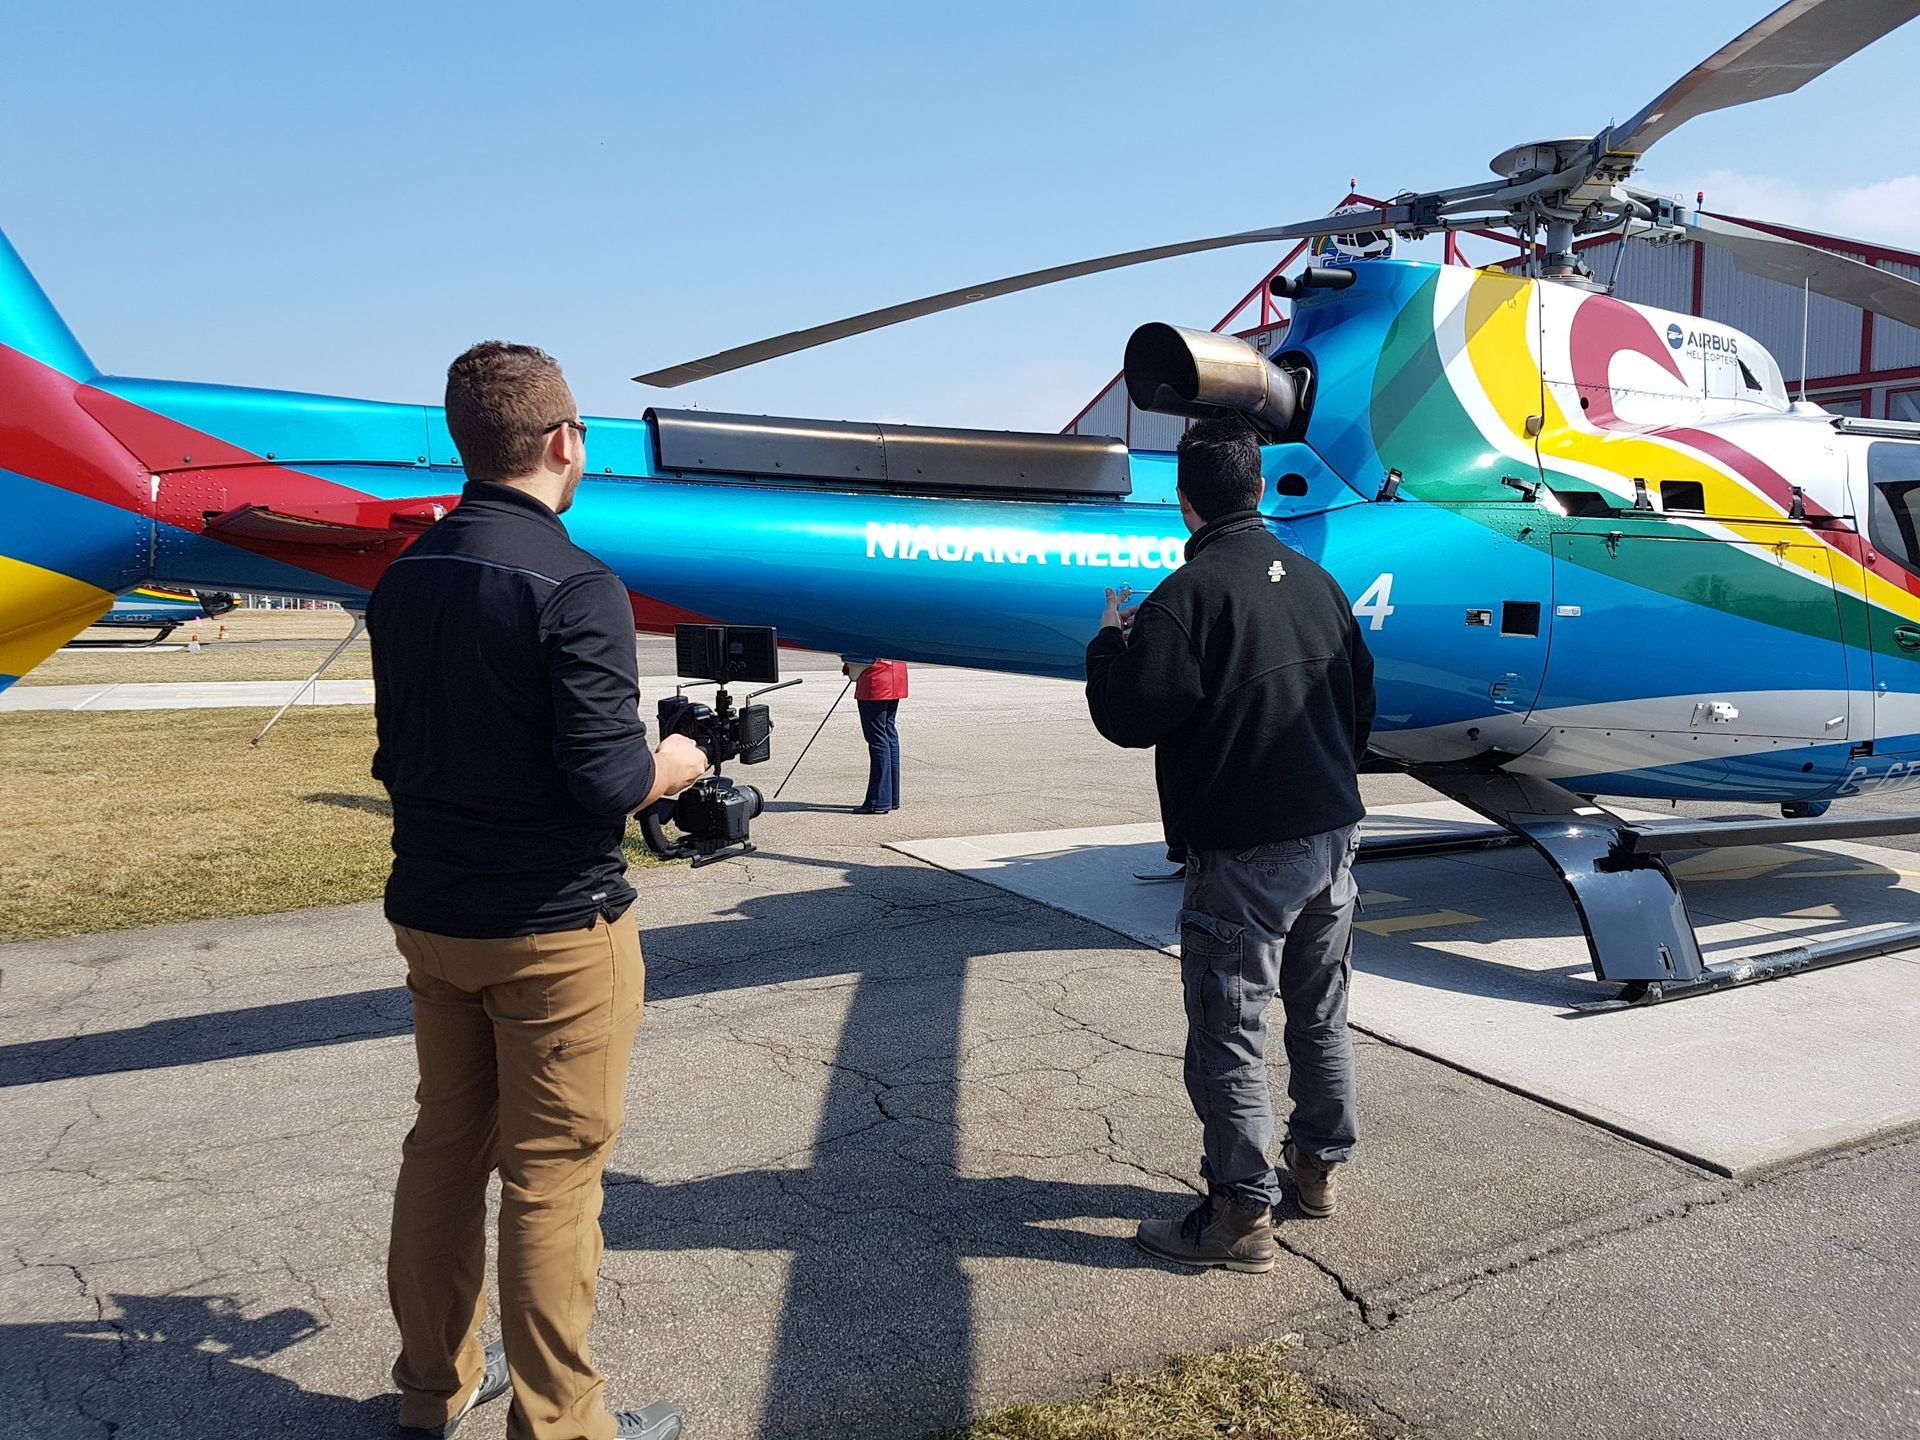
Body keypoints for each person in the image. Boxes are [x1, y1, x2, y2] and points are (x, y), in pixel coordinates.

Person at [367, 342, 707, 1440]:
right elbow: (609, 779)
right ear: (567, 442)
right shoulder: (576, 584)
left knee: (443, 1151)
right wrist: (684, 763)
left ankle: (432, 1390)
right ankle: (562, 1424)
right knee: (553, 1180)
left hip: (433, 915)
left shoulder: (405, 578)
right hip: (555, 927)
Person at [1083, 414, 1375, 1273]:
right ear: (1258, 488)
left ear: (1184, 503)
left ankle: (1238, 1216)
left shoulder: (1187, 597)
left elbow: (1128, 718)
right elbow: (1361, 705)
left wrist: (1110, 640)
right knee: (1319, 1010)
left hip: (1246, 854)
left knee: (1229, 1028)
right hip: (1333, 836)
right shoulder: (1320, 583)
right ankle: (1316, 1171)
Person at [844, 657, 908, 814]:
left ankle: (878, 800)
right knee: (888, 734)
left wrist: (848, 667)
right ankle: (890, 797)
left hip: (875, 679)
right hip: (896, 674)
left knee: (878, 739)